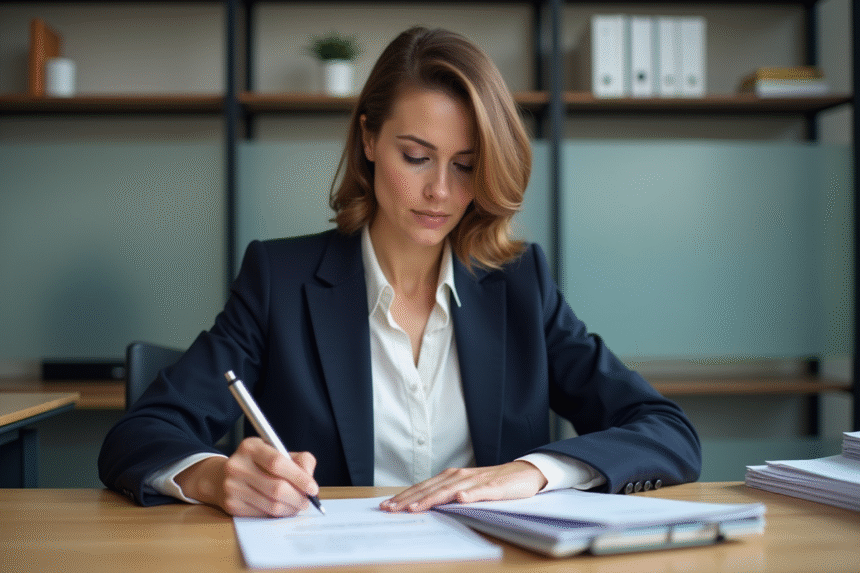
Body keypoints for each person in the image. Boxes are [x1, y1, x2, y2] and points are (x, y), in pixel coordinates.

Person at [98, 26, 700, 518]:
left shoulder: (520, 284)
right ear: (368, 140)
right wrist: (215, 477)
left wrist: (530, 472)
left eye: (466, 166)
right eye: (415, 157)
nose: (439, 191)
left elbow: (667, 433)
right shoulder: (280, 279)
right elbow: (141, 435)